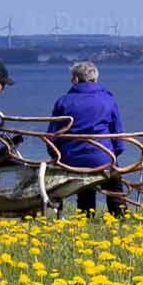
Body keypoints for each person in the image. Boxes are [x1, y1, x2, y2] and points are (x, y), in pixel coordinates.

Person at [51, 61, 128, 216]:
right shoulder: (108, 99)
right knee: (114, 181)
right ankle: (119, 215)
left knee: (84, 185)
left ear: (76, 79)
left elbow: (53, 137)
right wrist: (114, 154)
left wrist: (58, 157)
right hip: (103, 157)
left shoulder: (63, 101)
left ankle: (86, 215)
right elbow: (118, 137)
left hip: (72, 159)